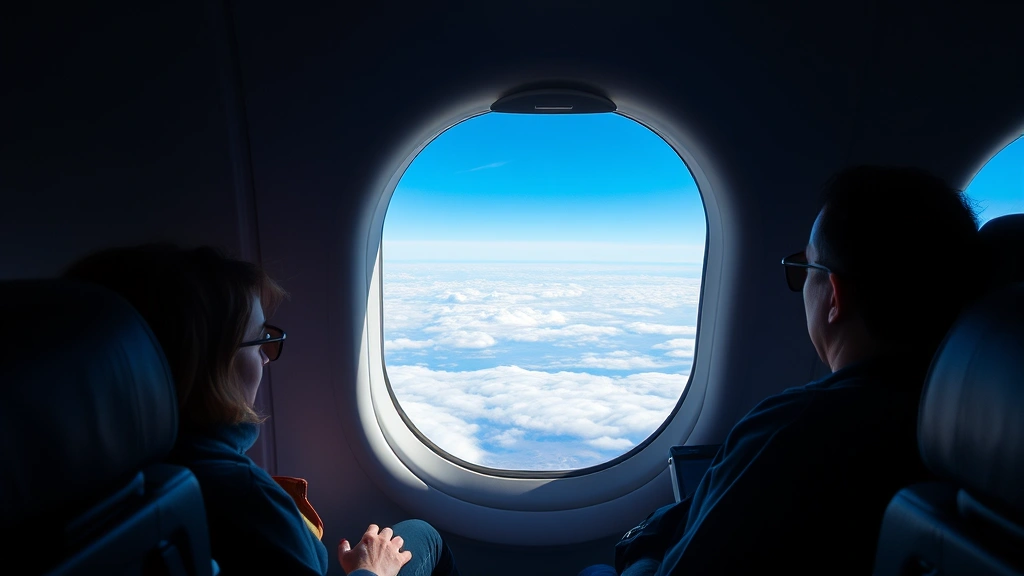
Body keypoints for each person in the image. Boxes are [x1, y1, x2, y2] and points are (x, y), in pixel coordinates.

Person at [580, 165, 984, 575]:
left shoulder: (794, 432)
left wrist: (644, 554)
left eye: (805, 268)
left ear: (835, 296)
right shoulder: (985, 426)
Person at [64, 244, 460, 576]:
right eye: (259, 341)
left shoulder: (69, 473)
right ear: (207, 365)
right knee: (422, 538)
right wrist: (370, 571)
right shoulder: (240, 496)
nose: (268, 358)